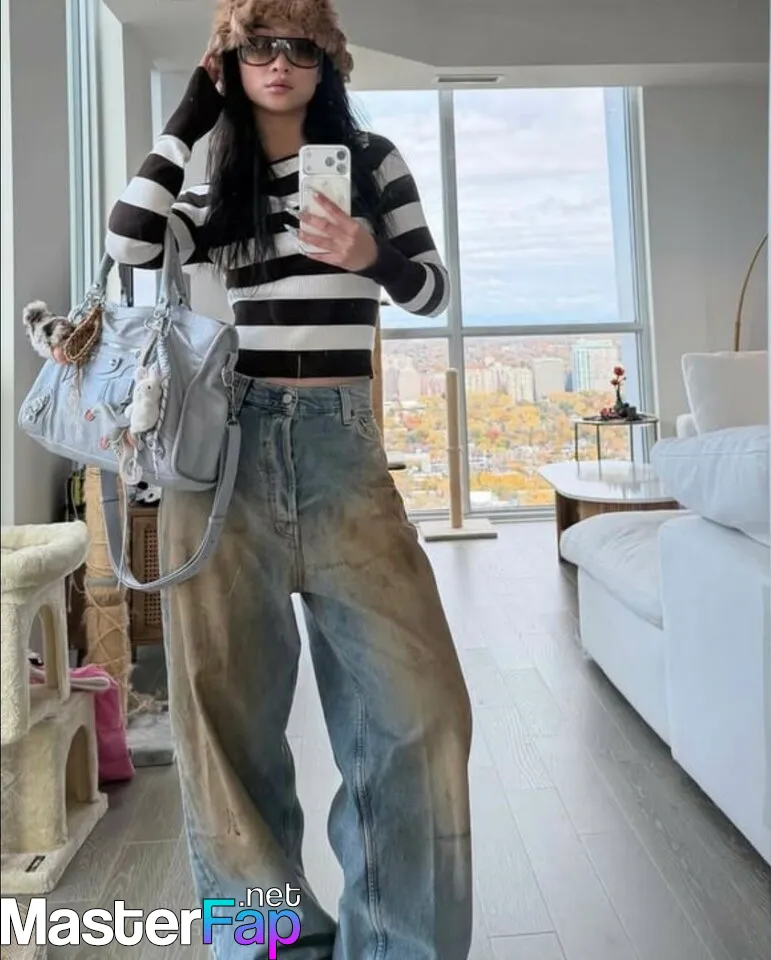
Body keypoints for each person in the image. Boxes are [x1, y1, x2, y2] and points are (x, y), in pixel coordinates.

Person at [105, 1, 472, 957]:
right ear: (230, 61)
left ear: (326, 61)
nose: (279, 62)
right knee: (225, 728)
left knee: (420, 711)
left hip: (342, 447)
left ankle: (396, 945)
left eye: (299, 46)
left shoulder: (373, 161)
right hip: (224, 454)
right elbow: (129, 241)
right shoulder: (215, 185)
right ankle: (267, 944)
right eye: (256, 45)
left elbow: (432, 289)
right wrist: (191, 112)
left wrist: (368, 254)